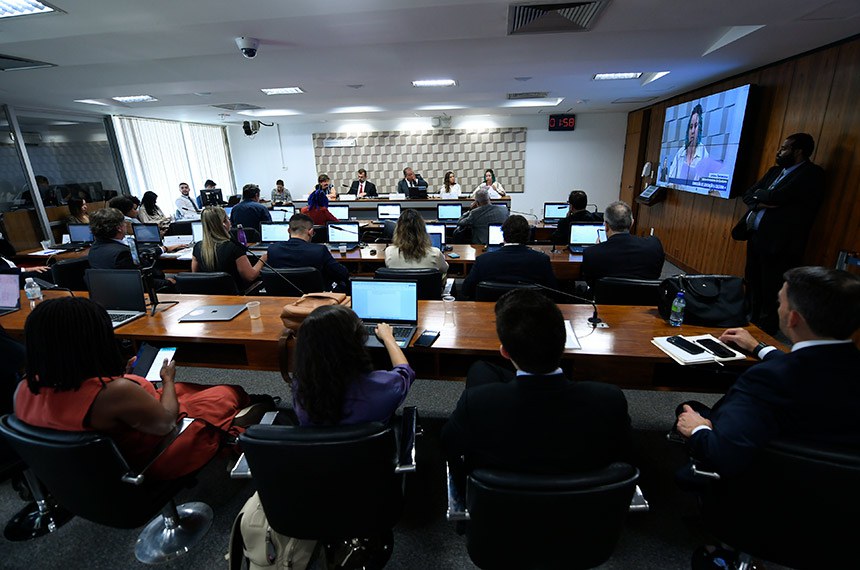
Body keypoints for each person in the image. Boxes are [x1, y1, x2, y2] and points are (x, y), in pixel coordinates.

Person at [12, 297, 272, 480]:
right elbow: (167, 423)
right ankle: (240, 422)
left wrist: (126, 379)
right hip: (154, 454)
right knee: (226, 392)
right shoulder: (114, 392)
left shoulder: (24, 388)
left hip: (90, 468)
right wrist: (167, 379)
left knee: (186, 388)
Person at [674, 266, 860, 480]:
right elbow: (817, 369)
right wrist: (758, 347)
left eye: (781, 303)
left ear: (793, 319)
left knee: (690, 410)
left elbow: (722, 455)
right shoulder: (823, 367)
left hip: (770, 487)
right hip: (844, 494)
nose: (778, 308)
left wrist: (699, 429)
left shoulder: (767, 379)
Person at [441, 289, 631, 477]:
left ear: (505, 352)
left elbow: (449, 446)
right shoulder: (609, 399)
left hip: (498, 501)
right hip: (586, 501)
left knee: (480, 370)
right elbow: (624, 454)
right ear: (564, 343)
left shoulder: (477, 402)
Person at [732, 133, 825, 335]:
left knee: (771, 285)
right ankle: (751, 318)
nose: (779, 152)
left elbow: (778, 196)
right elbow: (749, 194)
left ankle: (766, 327)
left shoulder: (811, 174)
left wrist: (766, 198)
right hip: (756, 235)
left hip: (780, 242)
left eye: (784, 148)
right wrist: (764, 200)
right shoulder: (775, 171)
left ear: (798, 151)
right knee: (753, 279)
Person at [289, 304, 415, 426]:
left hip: (315, 447)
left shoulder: (301, 388)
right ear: (357, 341)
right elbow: (405, 371)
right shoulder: (384, 386)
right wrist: (388, 338)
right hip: (371, 447)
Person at [460, 215, 556, 299]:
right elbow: (553, 292)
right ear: (528, 235)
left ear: (503, 234)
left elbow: (466, 290)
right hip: (529, 313)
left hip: (490, 313)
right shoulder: (542, 260)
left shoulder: (483, 260)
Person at [87, 207, 179, 290]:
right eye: (124, 223)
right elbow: (143, 282)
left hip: (111, 292)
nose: (126, 225)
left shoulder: (94, 249)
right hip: (142, 291)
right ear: (119, 228)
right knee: (180, 278)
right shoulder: (122, 253)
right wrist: (169, 282)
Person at [581, 200, 664, 287]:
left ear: (606, 226)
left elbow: (591, 283)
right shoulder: (654, 246)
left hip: (605, 299)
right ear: (632, 223)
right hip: (644, 299)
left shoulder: (591, 253)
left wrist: (598, 247)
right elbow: (656, 274)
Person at [267, 213, 349, 292]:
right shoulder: (319, 250)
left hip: (281, 298)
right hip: (315, 299)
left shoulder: (272, 249)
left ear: (288, 230)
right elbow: (342, 274)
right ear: (311, 232)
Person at [192, 206, 266, 289]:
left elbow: (195, 275)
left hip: (209, 298)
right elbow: (250, 276)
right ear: (224, 224)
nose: (229, 222)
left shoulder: (197, 247)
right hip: (235, 298)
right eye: (227, 219)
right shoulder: (234, 247)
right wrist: (263, 259)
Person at [384, 209, 448, 279]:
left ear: (397, 230)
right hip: (427, 290)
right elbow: (445, 269)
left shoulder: (389, 252)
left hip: (400, 289)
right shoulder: (435, 253)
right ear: (423, 229)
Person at [667, 104, 722, 184]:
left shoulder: (703, 153)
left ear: (699, 129)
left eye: (695, 126)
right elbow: (670, 178)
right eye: (690, 127)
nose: (692, 131)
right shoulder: (681, 152)